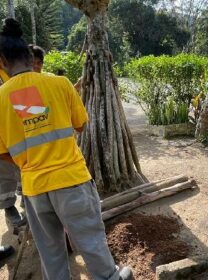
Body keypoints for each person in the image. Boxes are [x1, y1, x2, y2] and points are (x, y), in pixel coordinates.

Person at [0, 18, 133, 280]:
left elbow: (2, 152)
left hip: (35, 189)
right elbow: (81, 125)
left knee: (51, 253)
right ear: (30, 56)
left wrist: (28, 160)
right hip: (72, 182)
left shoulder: (1, 97)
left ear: (2, 61)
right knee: (91, 243)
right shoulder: (60, 84)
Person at [0, 59, 26, 229]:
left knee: (23, 163)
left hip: (18, 124)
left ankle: (27, 197)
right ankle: (9, 207)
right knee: (5, 171)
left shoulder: (9, 70)